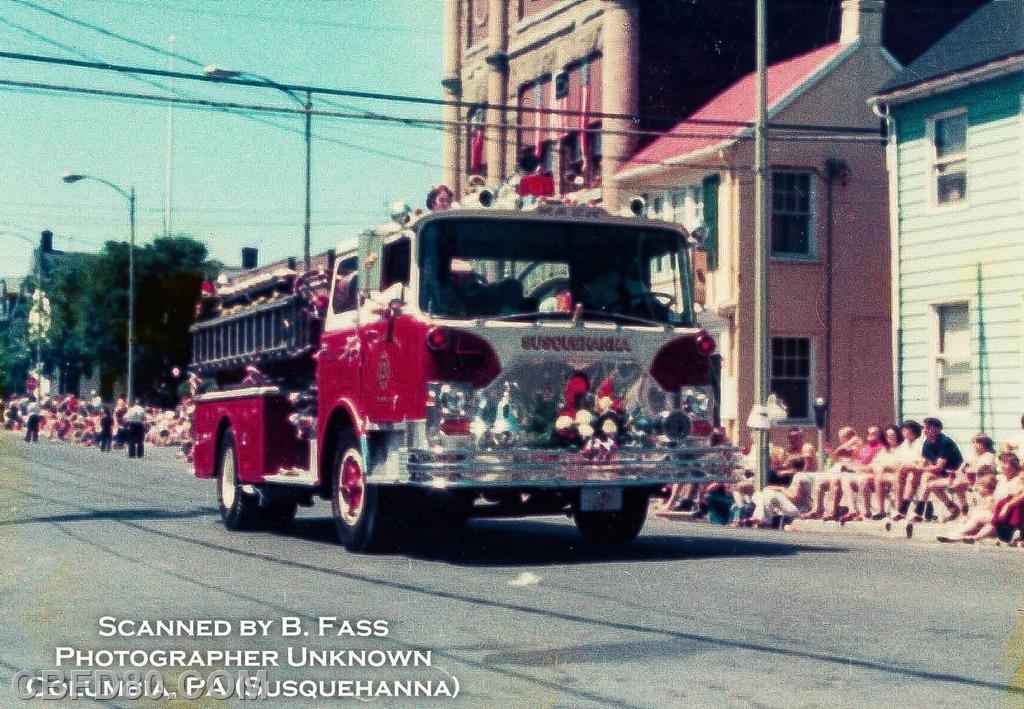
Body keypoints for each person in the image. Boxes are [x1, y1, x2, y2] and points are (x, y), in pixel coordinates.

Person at [919, 432, 994, 522]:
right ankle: (952, 507)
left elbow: (978, 469)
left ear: (984, 445)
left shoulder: (989, 456)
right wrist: (957, 472)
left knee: (958, 484)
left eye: (977, 443)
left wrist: (965, 470)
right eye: (974, 443)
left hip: (980, 481)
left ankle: (964, 511)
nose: (975, 446)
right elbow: (962, 468)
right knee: (931, 484)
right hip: (962, 478)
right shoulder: (971, 456)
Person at [907, 417, 964, 523]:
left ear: (936, 429)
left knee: (927, 478)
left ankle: (920, 511)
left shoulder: (944, 442)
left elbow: (939, 467)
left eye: (927, 427)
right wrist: (917, 468)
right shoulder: (927, 443)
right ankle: (949, 507)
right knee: (926, 478)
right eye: (924, 427)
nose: (925, 430)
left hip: (954, 474)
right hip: (940, 474)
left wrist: (921, 469)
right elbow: (924, 462)